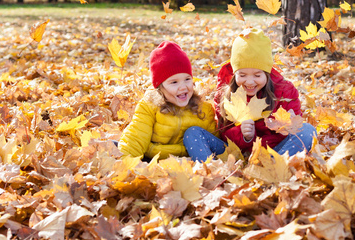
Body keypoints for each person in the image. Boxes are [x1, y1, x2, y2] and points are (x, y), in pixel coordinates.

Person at [184, 28, 316, 162]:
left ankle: (271, 168)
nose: (250, 81)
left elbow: (293, 132)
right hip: (232, 154)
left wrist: (282, 126)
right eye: (242, 75)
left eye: (257, 75)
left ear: (267, 73)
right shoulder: (225, 92)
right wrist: (245, 136)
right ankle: (211, 169)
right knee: (193, 133)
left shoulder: (285, 92)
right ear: (235, 73)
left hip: (273, 152)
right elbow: (223, 134)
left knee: (307, 131)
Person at [118, 41, 217, 160]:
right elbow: (136, 138)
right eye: (174, 82)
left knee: (193, 133)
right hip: (158, 158)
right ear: (159, 87)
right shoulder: (149, 106)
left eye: (187, 79)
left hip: (192, 160)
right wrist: (125, 164)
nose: (183, 87)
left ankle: (209, 171)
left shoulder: (204, 109)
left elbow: (213, 142)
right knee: (116, 147)